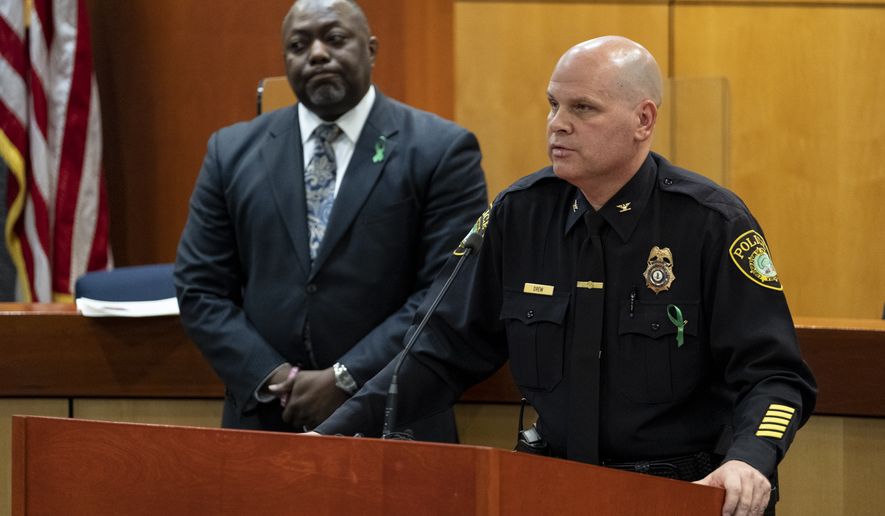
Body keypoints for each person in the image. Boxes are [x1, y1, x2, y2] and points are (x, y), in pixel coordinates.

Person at [314, 36, 816, 516]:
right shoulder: (520, 215)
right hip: (550, 487)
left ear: (643, 120)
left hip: (678, 490)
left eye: (583, 108)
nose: (557, 124)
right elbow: (439, 351)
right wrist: (332, 435)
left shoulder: (710, 223)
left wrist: (749, 459)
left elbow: (774, 375)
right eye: (553, 105)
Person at [174, 0, 487, 442]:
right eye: (299, 45)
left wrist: (344, 377)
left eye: (335, 39)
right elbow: (199, 286)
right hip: (266, 420)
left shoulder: (441, 151)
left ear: (371, 49)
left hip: (394, 418)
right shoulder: (230, 152)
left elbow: (447, 292)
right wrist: (273, 377)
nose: (317, 54)